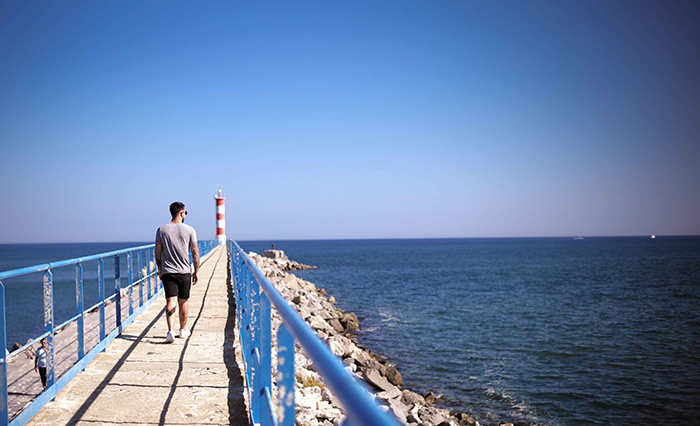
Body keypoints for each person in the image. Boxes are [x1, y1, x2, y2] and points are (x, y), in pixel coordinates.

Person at [155, 201, 200, 343]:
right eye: (185, 212)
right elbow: (195, 252)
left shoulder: (161, 230)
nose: (185, 214)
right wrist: (196, 270)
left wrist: (160, 269)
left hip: (168, 271)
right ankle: (183, 330)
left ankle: (170, 332)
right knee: (183, 301)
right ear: (181, 213)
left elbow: (157, 253)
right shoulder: (190, 230)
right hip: (184, 271)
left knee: (171, 300)